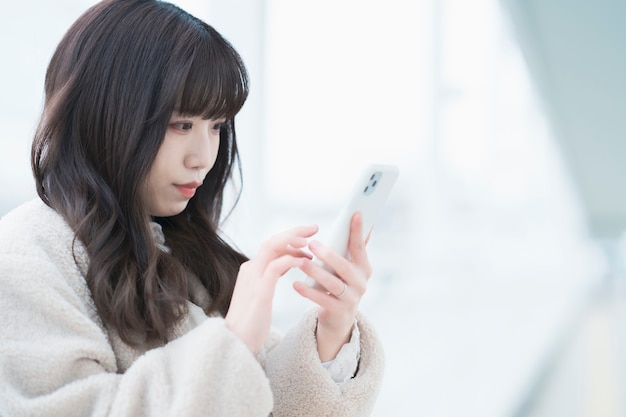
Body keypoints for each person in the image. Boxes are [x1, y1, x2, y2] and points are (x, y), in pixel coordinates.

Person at [0, 1, 384, 416]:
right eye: (181, 125)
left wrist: (332, 326)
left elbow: (264, 398)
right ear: (106, 114)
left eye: (216, 127)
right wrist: (231, 343)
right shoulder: (27, 253)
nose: (204, 157)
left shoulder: (184, 254)